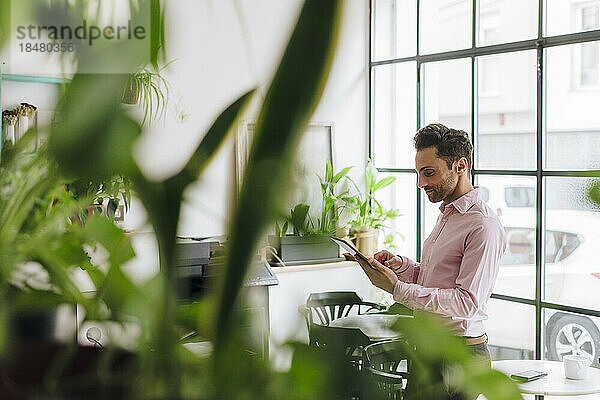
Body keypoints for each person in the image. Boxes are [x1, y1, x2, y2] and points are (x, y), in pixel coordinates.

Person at [354, 123, 506, 399]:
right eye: (419, 173)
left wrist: (396, 289)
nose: (421, 183)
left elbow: (467, 303)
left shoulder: (482, 225)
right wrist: (400, 266)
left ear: (460, 166)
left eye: (429, 173)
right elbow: (435, 278)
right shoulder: (448, 214)